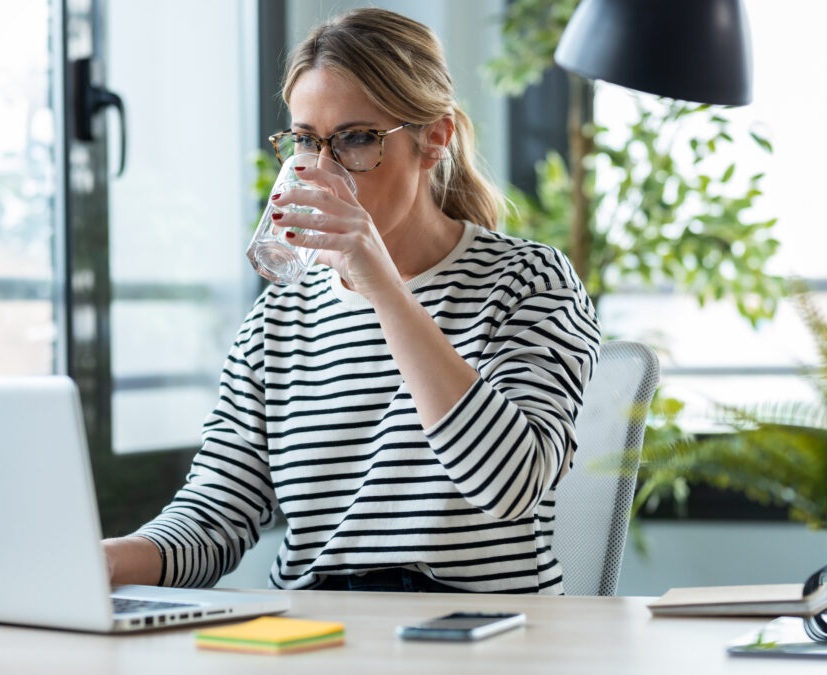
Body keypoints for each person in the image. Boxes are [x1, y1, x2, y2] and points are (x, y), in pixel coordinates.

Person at [101, 7, 600, 594]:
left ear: (434, 139)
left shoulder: (528, 282)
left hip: (482, 636)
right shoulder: (276, 322)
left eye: (357, 139)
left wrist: (384, 288)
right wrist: (99, 560)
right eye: (308, 141)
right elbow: (213, 521)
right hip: (320, 636)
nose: (324, 169)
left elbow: (510, 485)